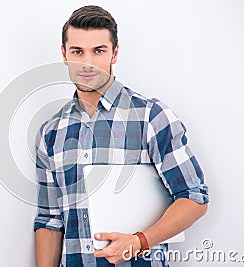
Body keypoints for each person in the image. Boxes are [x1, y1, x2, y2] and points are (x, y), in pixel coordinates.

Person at [34, 5, 209, 267]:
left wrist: (140, 241)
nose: (88, 63)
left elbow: (195, 198)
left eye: (99, 51)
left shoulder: (151, 117)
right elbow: (49, 220)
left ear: (114, 53)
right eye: (78, 51)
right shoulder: (51, 132)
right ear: (64, 54)